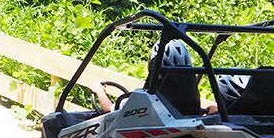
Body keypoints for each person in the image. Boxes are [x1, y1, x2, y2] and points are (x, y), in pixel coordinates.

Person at [90, 39, 218, 114]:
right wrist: (205, 111)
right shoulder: (189, 102)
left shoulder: (146, 99)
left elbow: (110, 109)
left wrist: (99, 91)